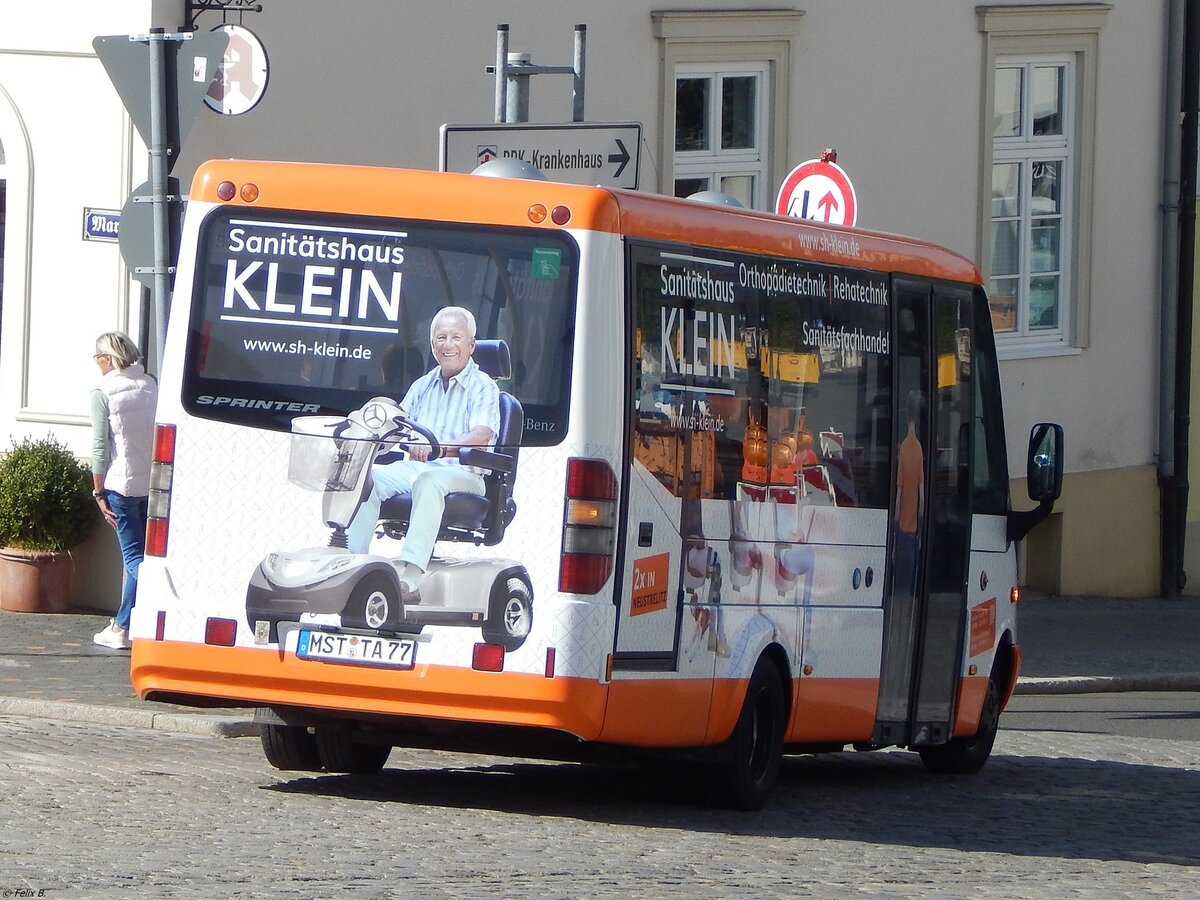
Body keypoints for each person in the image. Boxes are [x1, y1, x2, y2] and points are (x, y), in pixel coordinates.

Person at [346, 306, 500, 595]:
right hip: (416, 469)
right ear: (432, 345)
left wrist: (438, 449)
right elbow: (396, 426)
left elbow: (481, 436)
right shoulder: (422, 385)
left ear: (471, 345)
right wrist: (370, 441)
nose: (448, 344)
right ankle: (352, 565)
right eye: (441, 337)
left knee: (429, 481)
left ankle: (411, 576)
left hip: (464, 474)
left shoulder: (484, 387)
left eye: (456, 337)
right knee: (367, 478)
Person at [90, 332, 158, 650]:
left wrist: (98, 493)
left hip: (121, 486)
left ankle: (122, 625)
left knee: (135, 561)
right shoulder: (151, 384)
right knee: (143, 557)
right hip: (152, 485)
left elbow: (99, 447)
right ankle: (126, 624)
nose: (97, 364)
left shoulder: (102, 392)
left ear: (108, 358)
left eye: (97, 358)